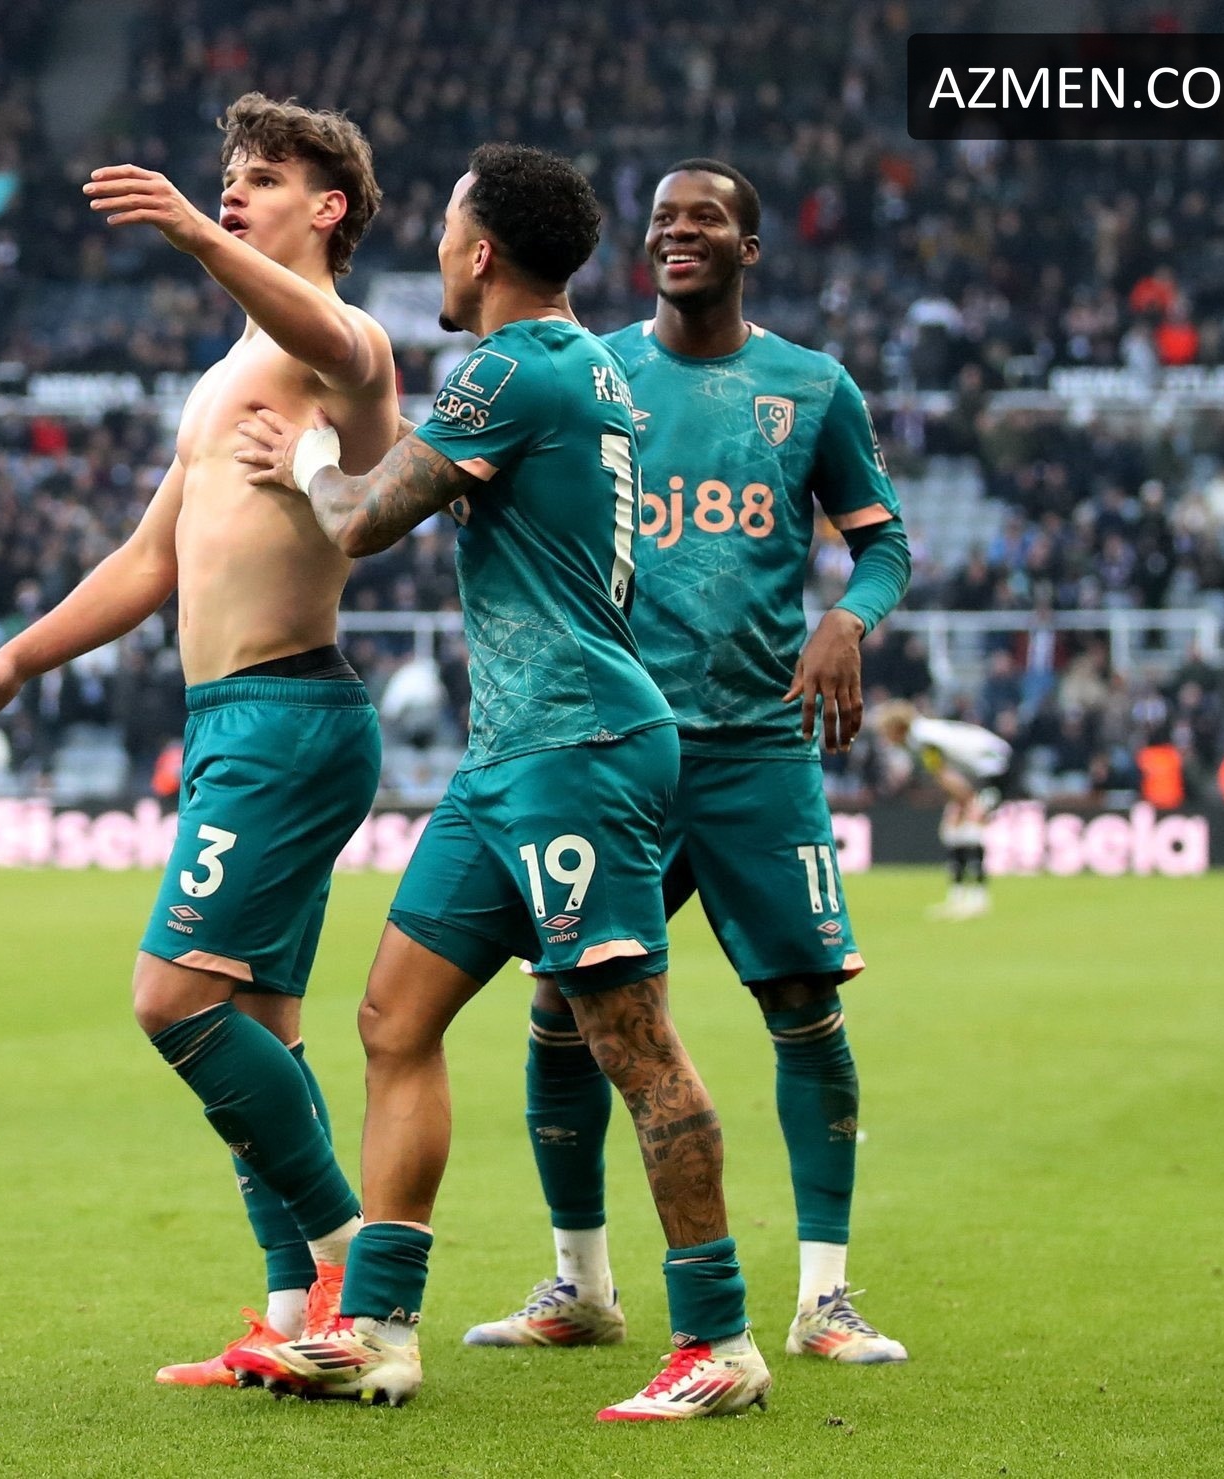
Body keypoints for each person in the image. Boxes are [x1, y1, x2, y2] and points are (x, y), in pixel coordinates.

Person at [230, 144, 768, 1421]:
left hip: (576, 747)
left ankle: (719, 1339)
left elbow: (362, 519)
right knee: (392, 1019)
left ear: (480, 253)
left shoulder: (512, 369)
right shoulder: (581, 367)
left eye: (443, 228)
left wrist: (303, 459)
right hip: (512, 752)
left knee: (630, 1041)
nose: (431, 248)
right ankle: (378, 1326)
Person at [0, 95, 399, 1385]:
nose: (233, 190)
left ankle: (353, 1268)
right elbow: (149, 559)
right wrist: (16, 659)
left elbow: (355, 364)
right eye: (226, 176)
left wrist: (196, 233)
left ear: (329, 209)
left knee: (172, 997)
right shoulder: (224, 376)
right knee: (259, 1022)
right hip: (232, 720)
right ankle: (294, 1319)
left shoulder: (339, 341)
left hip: (287, 718)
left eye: (263, 179)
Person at [464, 159, 914, 1367]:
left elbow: (882, 545)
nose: (678, 232)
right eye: (662, 219)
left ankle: (823, 1298)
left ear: (745, 247)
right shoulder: (595, 373)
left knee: (803, 1006)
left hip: (757, 747)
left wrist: (846, 619)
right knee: (563, 1006)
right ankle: (580, 1286)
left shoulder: (809, 387)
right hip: (616, 751)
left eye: (703, 218)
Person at [875, 701, 1013, 919]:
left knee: (971, 829)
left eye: (886, 731)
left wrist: (966, 801)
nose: (885, 737)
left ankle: (978, 899)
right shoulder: (921, 733)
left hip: (995, 768)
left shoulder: (922, 739)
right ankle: (958, 898)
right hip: (978, 771)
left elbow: (943, 773)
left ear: (897, 727)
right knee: (953, 830)